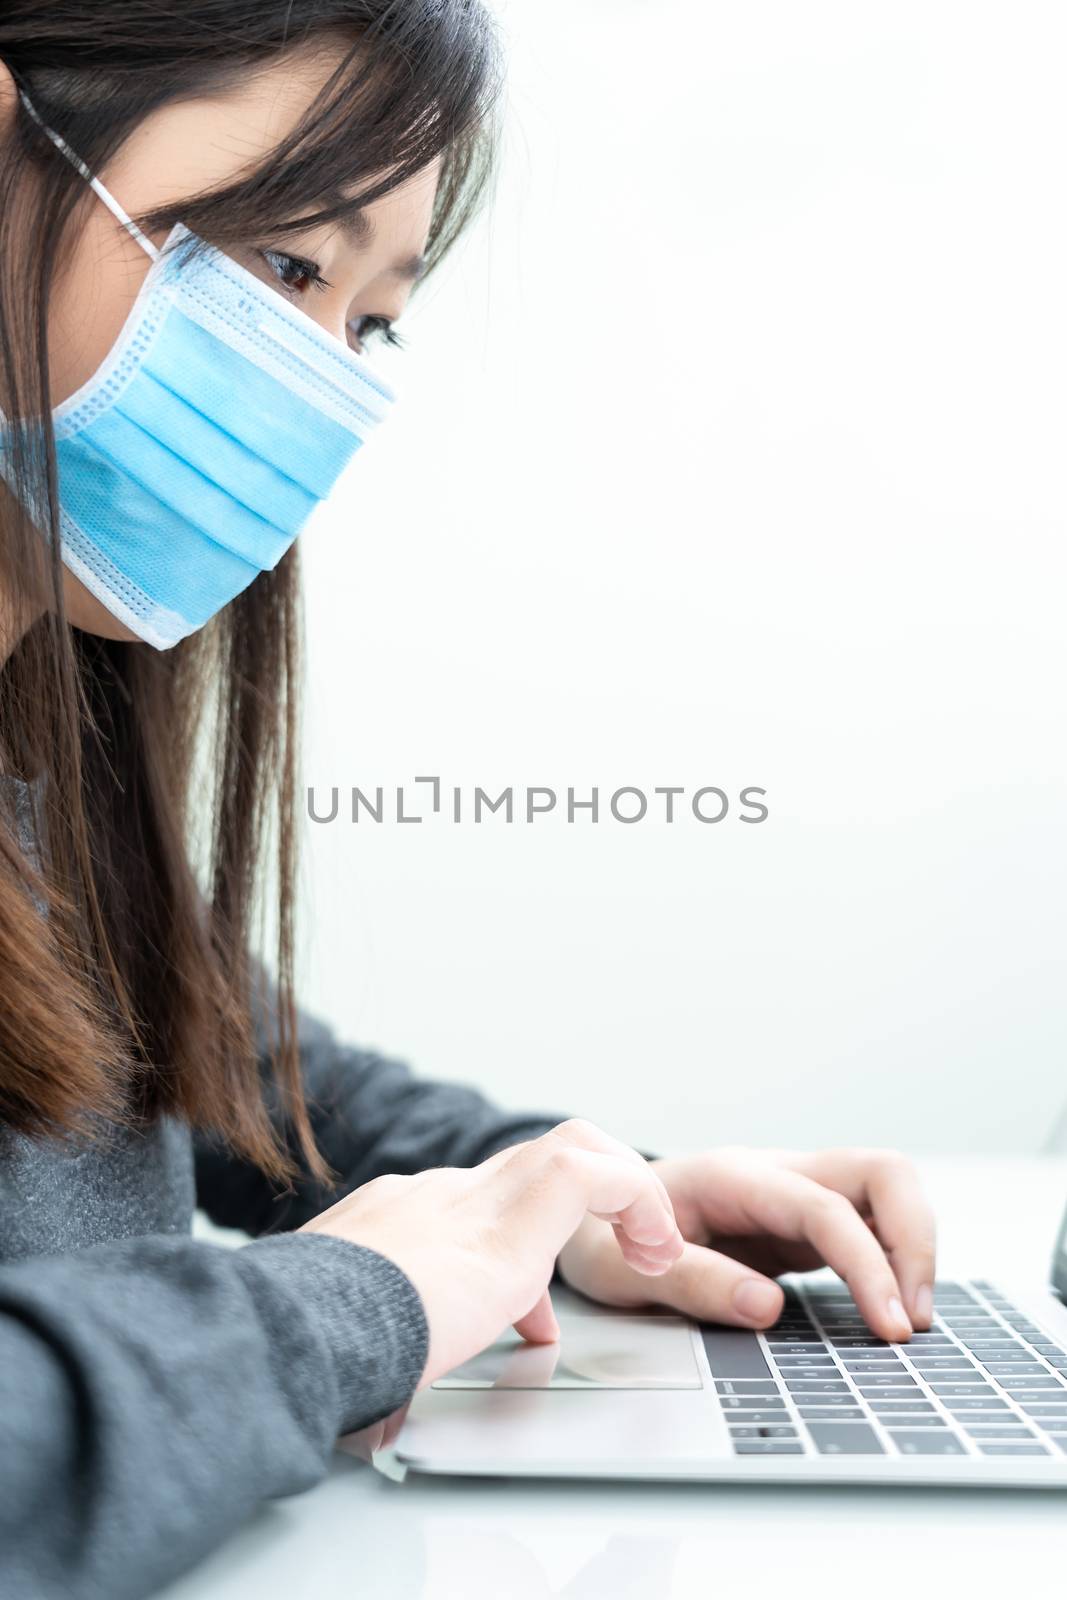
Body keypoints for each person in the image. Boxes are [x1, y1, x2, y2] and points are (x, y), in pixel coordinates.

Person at [0, 5, 937, 1597]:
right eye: (287, 266)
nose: (317, 382)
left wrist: (580, 1196)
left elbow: (206, 1052)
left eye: (374, 324)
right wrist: (363, 1297)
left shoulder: (45, 728)